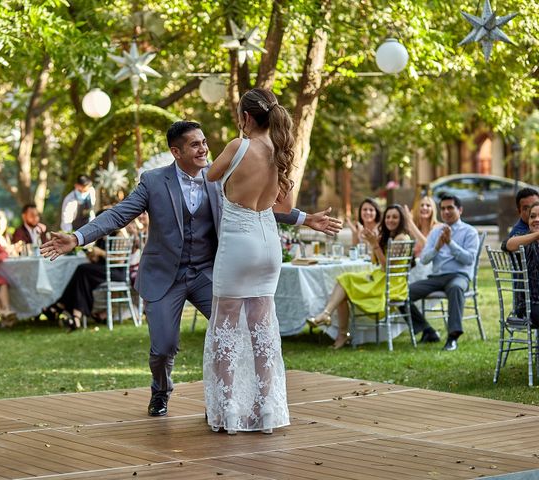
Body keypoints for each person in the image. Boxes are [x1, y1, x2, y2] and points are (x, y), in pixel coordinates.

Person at [41, 120, 342, 419]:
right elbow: (119, 215)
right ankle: (161, 389)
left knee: (233, 333)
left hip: (207, 274)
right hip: (163, 277)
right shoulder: (153, 181)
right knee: (164, 347)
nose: (204, 149)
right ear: (176, 151)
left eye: (204, 142)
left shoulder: (219, 176)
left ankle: (231, 400)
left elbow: (256, 205)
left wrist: (305, 218)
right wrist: (77, 237)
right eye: (195, 145)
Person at [202, 89, 294, 434]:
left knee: (225, 327)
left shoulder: (238, 147)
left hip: (239, 242)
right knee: (262, 330)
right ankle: (267, 408)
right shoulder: (279, 151)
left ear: (246, 117)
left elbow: (211, 175)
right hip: (269, 242)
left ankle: (228, 408)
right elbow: (283, 204)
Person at [308, 205, 411, 349]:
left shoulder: (401, 238)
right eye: (388, 217)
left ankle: (331, 321)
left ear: (401, 220)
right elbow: (376, 262)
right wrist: (375, 242)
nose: (390, 220)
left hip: (391, 284)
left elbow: (386, 267)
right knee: (344, 283)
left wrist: (375, 244)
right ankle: (336, 328)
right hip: (382, 278)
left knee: (345, 280)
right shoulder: (392, 236)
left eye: (395, 217)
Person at [408, 194, 480, 351]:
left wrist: (450, 243)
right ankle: (427, 330)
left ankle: (452, 337)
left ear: (460, 210)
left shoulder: (470, 232)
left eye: (450, 208)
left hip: (459, 276)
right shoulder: (435, 232)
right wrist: (437, 247)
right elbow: (425, 259)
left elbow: (468, 260)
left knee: (455, 288)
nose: (446, 211)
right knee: (402, 294)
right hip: (437, 277)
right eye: (443, 208)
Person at [502, 201, 539, 326]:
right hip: (529, 305)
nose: (536, 220)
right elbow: (507, 245)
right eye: (532, 216)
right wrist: (537, 235)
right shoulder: (522, 239)